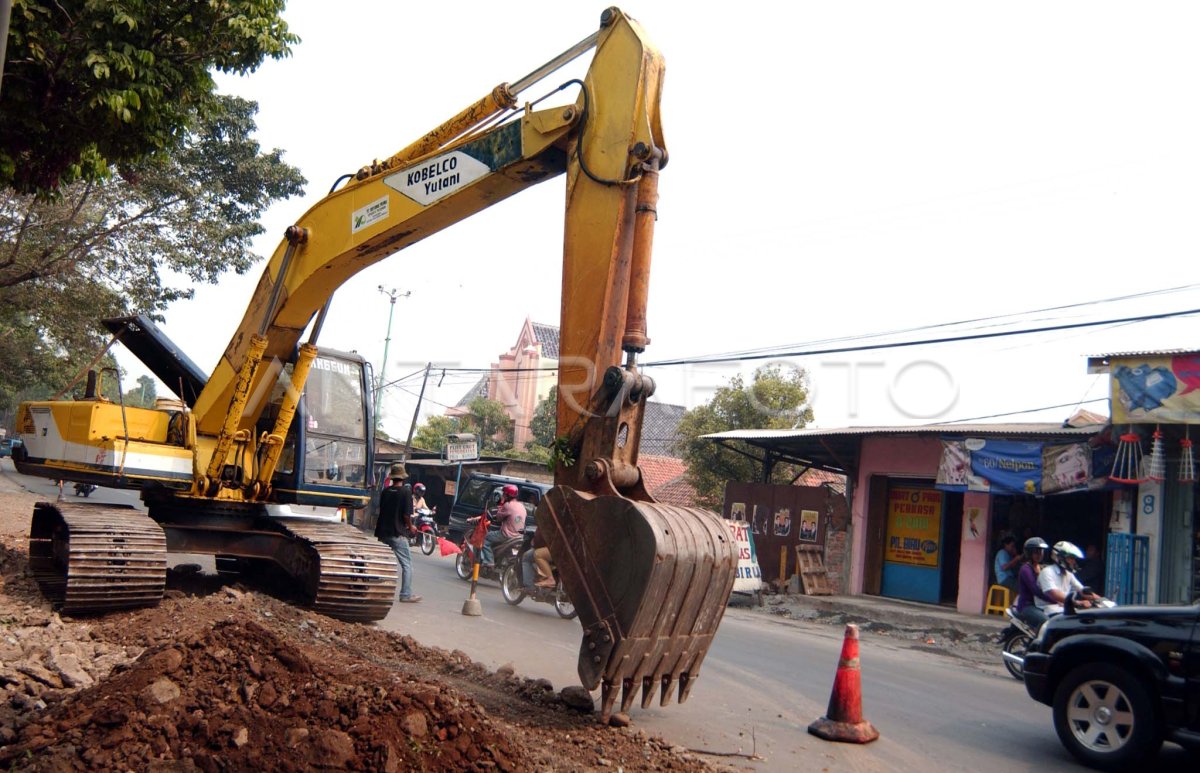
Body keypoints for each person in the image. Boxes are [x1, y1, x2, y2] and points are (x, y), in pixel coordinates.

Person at [377, 464, 421, 603]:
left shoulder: (385, 491)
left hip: (382, 532)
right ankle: (406, 594)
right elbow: (406, 515)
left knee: (383, 562)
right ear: (403, 477)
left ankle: (378, 590)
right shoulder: (405, 492)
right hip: (396, 533)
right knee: (407, 565)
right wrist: (411, 527)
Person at [1036, 541, 1092, 618]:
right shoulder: (1047, 572)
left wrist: (1102, 600)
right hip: (1049, 610)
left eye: (1074, 559)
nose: (1073, 561)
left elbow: (1082, 590)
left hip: (1063, 609)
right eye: (1071, 558)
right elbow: (1054, 594)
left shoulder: (1068, 574)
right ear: (1060, 557)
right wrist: (1078, 602)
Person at [480, 484, 525, 566]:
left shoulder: (508, 505)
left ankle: (489, 561)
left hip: (506, 535)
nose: (503, 495)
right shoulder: (522, 506)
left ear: (507, 495)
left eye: (504, 494)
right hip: (518, 536)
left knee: (485, 538)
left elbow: (498, 518)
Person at [1013, 537, 1050, 631]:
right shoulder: (1025, 569)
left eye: (1041, 552)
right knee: (1046, 622)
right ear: (1029, 553)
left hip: (1039, 605)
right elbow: (1036, 590)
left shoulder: (1042, 567)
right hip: (1027, 606)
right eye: (1036, 552)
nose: (1039, 554)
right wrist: (1054, 599)